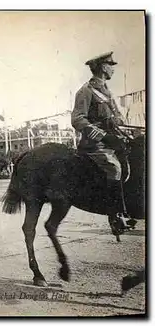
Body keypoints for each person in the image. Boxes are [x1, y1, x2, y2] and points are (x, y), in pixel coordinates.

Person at [71, 51, 135, 230]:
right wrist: (102, 135)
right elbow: (77, 119)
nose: (113, 68)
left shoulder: (106, 91)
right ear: (101, 68)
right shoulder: (86, 91)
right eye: (110, 65)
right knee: (114, 168)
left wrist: (128, 131)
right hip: (95, 144)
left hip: (113, 140)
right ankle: (115, 215)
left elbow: (118, 119)